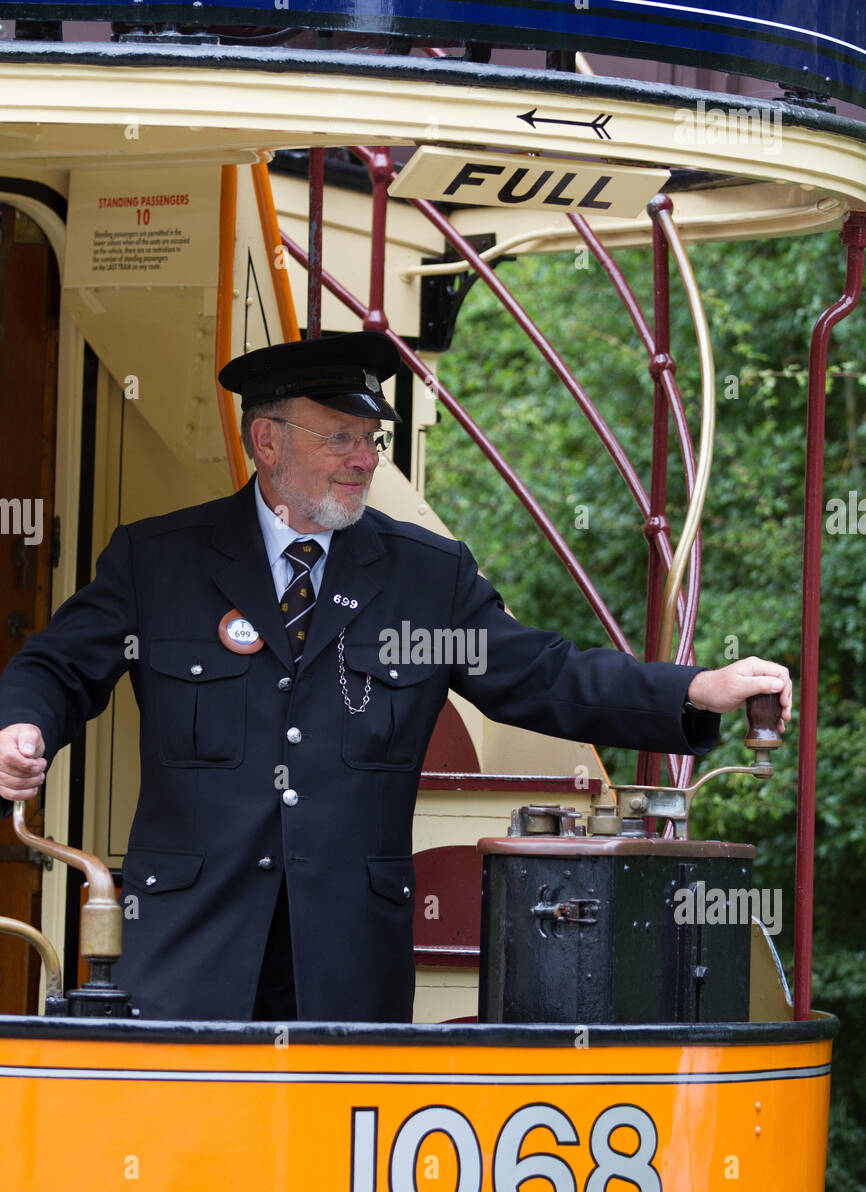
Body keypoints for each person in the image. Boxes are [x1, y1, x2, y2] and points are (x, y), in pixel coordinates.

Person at [0, 333, 792, 1022]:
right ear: (267, 442)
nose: (365, 459)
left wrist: (692, 691)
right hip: (186, 953)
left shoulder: (424, 576)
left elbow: (542, 675)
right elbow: (58, 664)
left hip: (345, 962)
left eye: (373, 439)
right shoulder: (160, 559)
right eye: (341, 437)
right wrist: (22, 724)